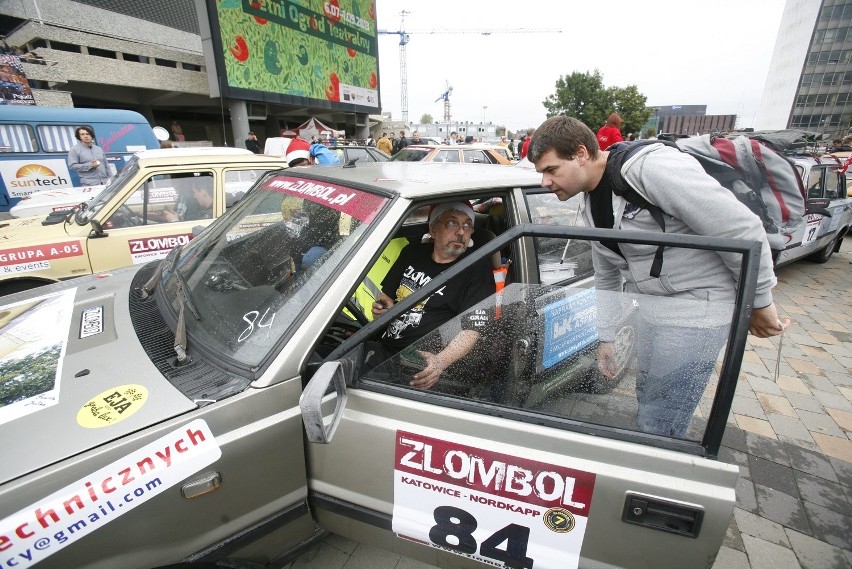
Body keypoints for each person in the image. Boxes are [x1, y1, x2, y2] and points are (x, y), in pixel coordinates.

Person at [527, 116, 788, 437]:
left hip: (698, 312)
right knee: (649, 402)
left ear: (581, 154)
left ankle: (655, 476)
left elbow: (741, 229)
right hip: (654, 311)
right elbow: (607, 273)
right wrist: (605, 336)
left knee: (659, 418)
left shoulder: (650, 170)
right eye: (541, 173)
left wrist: (760, 301)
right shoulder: (591, 199)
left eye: (551, 170)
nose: (544, 182)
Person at [369, 201, 494, 390]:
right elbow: (386, 297)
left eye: (467, 225)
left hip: (423, 365)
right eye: (452, 223)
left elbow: (472, 330)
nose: (461, 232)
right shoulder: (411, 253)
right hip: (386, 349)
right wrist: (381, 308)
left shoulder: (476, 269)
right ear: (433, 230)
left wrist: (440, 362)